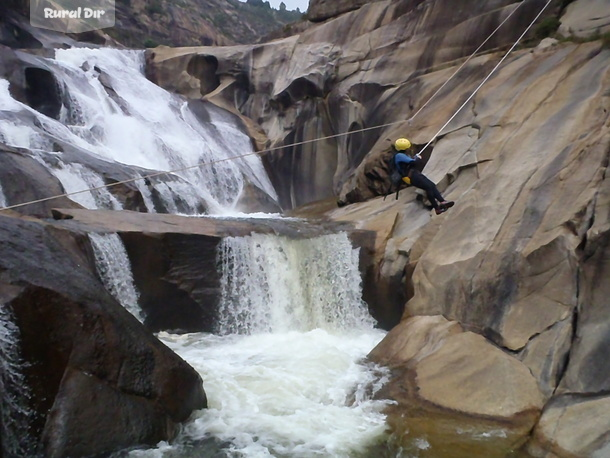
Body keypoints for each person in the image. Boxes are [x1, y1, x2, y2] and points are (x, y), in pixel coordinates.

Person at [392, 137, 454, 215]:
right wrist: (417, 158)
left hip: (414, 174)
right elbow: (413, 163)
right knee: (428, 187)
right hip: (411, 176)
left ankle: (442, 202)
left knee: (431, 185)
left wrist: (415, 158)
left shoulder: (401, 155)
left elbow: (410, 162)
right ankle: (437, 207)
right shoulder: (399, 155)